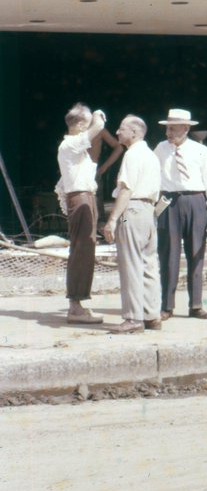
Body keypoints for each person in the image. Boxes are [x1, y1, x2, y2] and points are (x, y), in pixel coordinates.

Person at [155, 108, 207, 320]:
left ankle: (195, 305)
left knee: (196, 254)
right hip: (168, 202)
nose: (168, 132)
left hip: (196, 202)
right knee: (168, 255)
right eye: (167, 128)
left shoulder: (201, 151)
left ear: (185, 129)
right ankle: (167, 306)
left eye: (172, 128)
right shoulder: (160, 149)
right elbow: (153, 179)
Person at [102, 116, 162, 333]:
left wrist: (112, 220)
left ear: (135, 133)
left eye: (122, 129)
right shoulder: (151, 155)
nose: (117, 132)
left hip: (131, 211)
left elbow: (126, 190)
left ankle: (133, 319)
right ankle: (152, 315)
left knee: (130, 264)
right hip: (148, 212)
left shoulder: (132, 155)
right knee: (149, 265)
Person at [55, 103, 109, 323]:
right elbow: (95, 130)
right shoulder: (69, 146)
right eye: (85, 125)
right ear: (78, 125)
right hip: (80, 198)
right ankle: (75, 306)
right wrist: (97, 117)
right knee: (82, 248)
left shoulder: (75, 150)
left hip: (85, 197)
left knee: (86, 247)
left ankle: (77, 303)